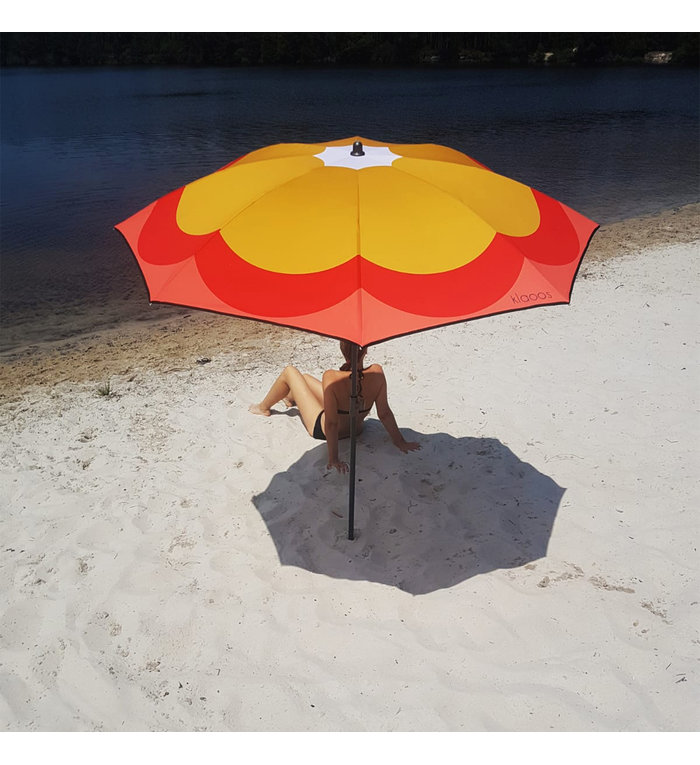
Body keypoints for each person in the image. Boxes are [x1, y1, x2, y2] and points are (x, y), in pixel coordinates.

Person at [249, 341, 420, 473]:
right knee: (306, 378)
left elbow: (330, 424)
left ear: (343, 352)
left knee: (290, 371)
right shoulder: (377, 373)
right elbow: (384, 414)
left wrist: (333, 459)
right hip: (357, 429)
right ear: (365, 350)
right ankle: (289, 397)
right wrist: (400, 442)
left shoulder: (331, 377)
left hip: (322, 429)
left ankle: (263, 407)